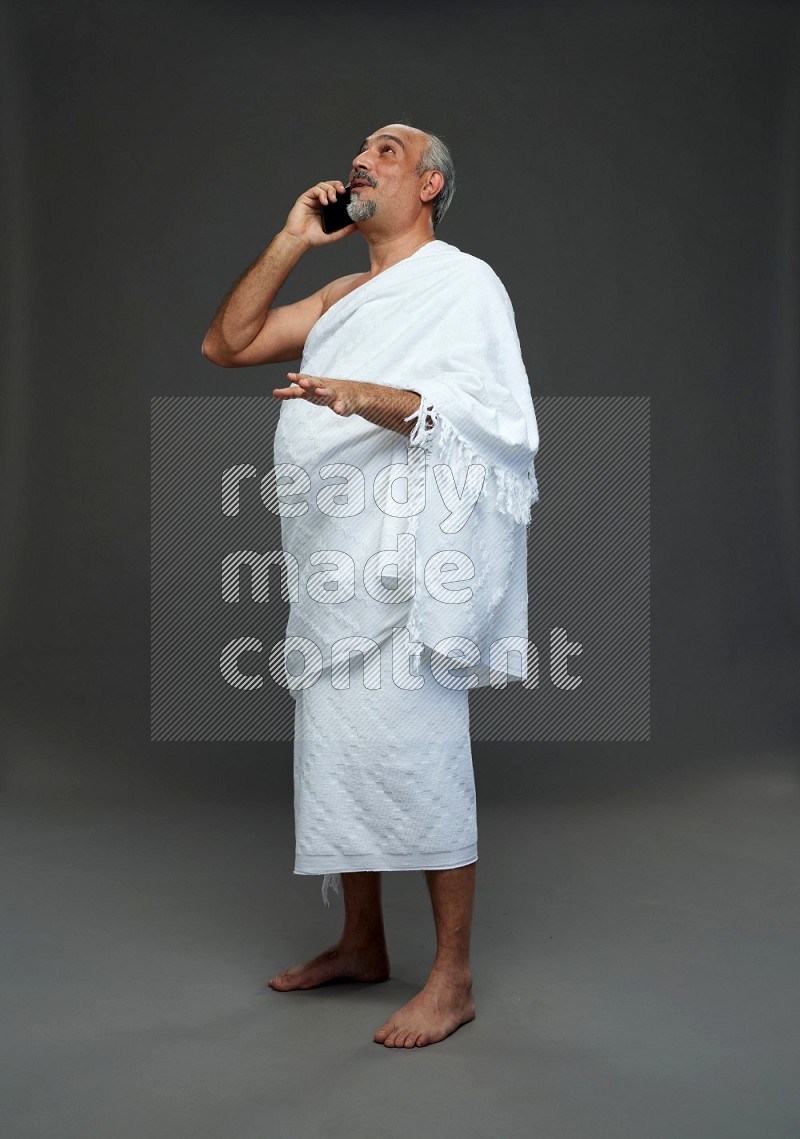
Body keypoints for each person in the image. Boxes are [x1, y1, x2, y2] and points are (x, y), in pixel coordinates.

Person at [201, 123, 539, 1048]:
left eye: (388, 150)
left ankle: (454, 976)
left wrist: (366, 396)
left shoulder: (465, 285)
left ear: (429, 184)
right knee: (340, 750)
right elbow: (227, 344)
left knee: (422, 754)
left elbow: (495, 420)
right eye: (360, 150)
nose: (364, 158)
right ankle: (361, 943)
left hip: (415, 561)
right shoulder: (346, 289)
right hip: (331, 556)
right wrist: (292, 240)